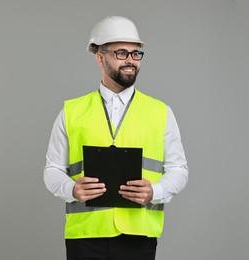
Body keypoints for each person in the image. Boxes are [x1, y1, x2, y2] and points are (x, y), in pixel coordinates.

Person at [44, 16, 188, 260]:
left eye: (135, 53)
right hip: (85, 234)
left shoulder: (161, 112)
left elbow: (179, 169)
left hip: (139, 236)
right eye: (121, 53)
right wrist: (71, 189)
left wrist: (156, 190)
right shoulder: (71, 111)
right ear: (100, 57)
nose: (130, 60)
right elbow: (52, 169)